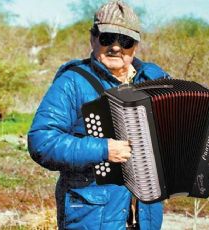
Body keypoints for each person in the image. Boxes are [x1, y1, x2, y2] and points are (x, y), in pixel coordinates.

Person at [28, 1, 170, 229]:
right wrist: (103, 149)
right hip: (91, 216)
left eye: (125, 41)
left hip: (145, 218)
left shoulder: (154, 80)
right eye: (107, 38)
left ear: (135, 45)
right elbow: (41, 141)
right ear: (93, 38)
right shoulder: (72, 82)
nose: (116, 47)